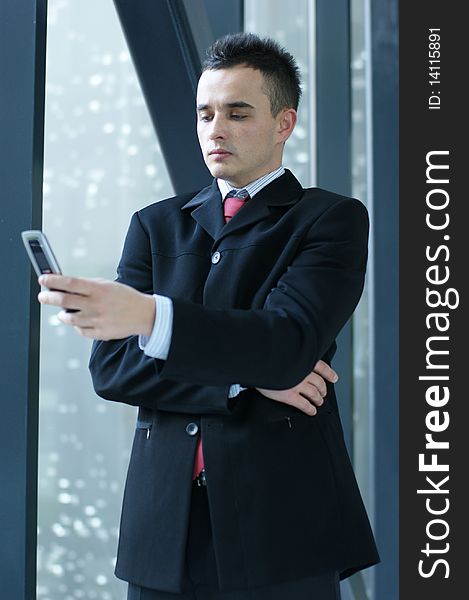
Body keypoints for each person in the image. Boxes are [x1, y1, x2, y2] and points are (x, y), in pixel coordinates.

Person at [38, 32, 379, 600]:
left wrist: (152, 320)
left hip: (282, 526)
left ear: (283, 123)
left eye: (237, 113)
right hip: (163, 527)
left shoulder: (331, 220)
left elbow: (288, 343)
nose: (215, 129)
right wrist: (247, 383)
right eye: (205, 113)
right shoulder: (156, 225)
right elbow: (113, 371)